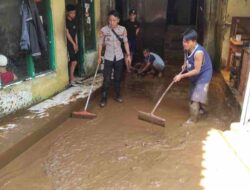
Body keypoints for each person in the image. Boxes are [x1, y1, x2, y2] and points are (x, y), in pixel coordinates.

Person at [173, 29, 213, 125]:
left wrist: (181, 76)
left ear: (194, 42)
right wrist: (184, 65)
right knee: (193, 95)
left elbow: (197, 70)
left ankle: (192, 121)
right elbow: (186, 58)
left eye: (187, 42)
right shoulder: (186, 48)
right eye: (183, 41)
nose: (184, 44)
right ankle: (203, 109)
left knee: (195, 98)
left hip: (204, 74)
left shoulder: (198, 53)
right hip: (194, 75)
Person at [98, 10, 131, 108]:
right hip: (108, 57)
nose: (112, 22)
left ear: (118, 20)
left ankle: (117, 95)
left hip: (119, 57)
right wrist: (99, 56)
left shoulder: (123, 29)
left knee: (117, 78)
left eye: (114, 20)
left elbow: (125, 43)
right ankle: (103, 97)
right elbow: (100, 44)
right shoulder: (104, 30)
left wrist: (128, 55)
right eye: (110, 20)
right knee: (107, 78)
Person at [66, 4, 78, 84]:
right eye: (72, 13)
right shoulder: (66, 22)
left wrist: (77, 44)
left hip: (74, 43)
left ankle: (72, 77)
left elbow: (75, 33)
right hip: (69, 44)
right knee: (73, 61)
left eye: (74, 13)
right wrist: (73, 44)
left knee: (74, 61)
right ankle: (71, 79)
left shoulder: (74, 21)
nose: (74, 14)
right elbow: (67, 34)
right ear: (68, 13)